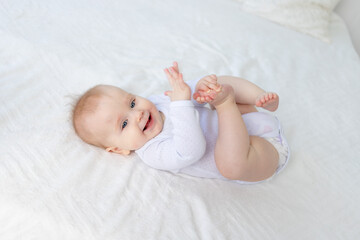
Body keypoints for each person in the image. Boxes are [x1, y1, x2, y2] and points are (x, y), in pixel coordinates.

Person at [72, 62, 289, 183]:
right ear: (118, 149)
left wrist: (200, 88)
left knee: (218, 85)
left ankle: (259, 97)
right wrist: (182, 103)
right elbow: (191, 150)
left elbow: (188, 93)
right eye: (124, 124)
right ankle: (226, 104)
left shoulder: (157, 102)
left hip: (246, 118)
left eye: (131, 103)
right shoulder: (152, 152)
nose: (137, 114)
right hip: (259, 155)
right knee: (230, 166)